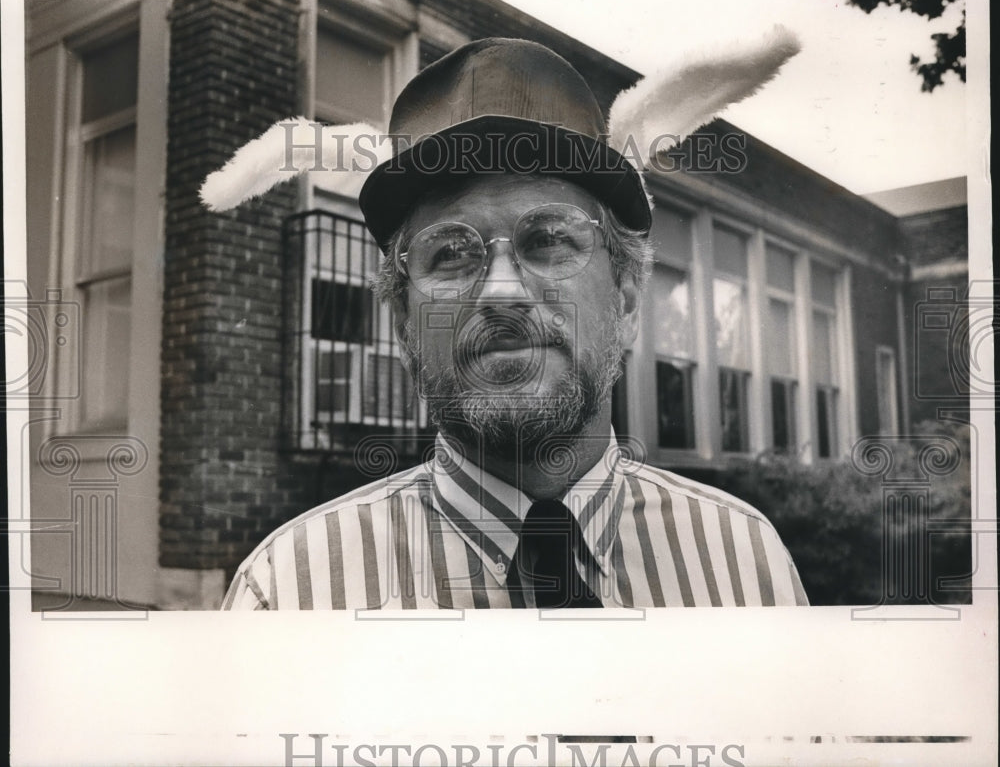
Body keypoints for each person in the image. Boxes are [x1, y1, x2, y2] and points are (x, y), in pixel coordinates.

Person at [220, 38, 808, 610]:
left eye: (550, 240)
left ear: (627, 298)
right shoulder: (288, 596)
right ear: (402, 318)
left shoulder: (749, 569)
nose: (502, 291)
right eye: (450, 252)